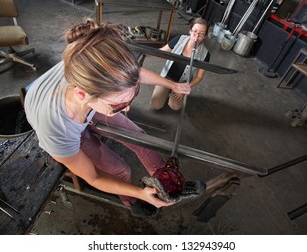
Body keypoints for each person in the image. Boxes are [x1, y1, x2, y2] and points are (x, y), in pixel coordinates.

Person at [24, 20, 191, 217]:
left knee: (140, 138)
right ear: (82, 95)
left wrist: (172, 85)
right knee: (121, 171)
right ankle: (132, 203)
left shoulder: (92, 63)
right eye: (120, 104)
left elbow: (133, 74)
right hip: (66, 118)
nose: (127, 107)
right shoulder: (56, 129)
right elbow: (94, 177)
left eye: (132, 97)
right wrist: (141, 194)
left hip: (88, 104)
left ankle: (164, 182)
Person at [150, 17, 210, 111]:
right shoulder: (179, 39)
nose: (196, 36)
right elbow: (161, 52)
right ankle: (166, 90)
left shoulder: (205, 54)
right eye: (195, 31)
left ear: (205, 37)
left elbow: (199, 77)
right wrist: (145, 53)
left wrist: (186, 88)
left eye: (201, 34)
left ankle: (172, 92)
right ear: (190, 31)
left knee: (175, 106)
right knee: (156, 105)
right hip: (167, 78)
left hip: (182, 83)